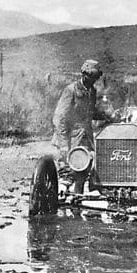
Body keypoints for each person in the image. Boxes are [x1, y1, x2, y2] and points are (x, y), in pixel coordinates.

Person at [52, 59, 110, 191]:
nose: (94, 80)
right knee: (67, 172)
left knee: (83, 172)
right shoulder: (71, 90)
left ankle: (78, 200)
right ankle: (62, 198)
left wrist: (106, 116)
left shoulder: (92, 91)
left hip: (85, 137)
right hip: (70, 137)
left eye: (96, 77)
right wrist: (63, 145)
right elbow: (60, 118)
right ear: (84, 74)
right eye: (91, 76)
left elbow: (90, 112)